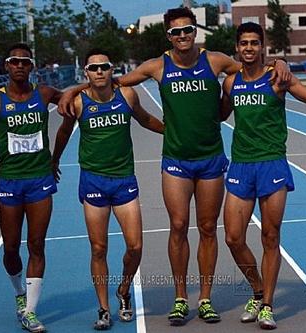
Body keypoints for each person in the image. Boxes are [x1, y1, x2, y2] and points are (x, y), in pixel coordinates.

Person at [59, 7, 291, 325]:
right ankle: (181, 298)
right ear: (167, 35)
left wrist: (281, 62)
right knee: (179, 226)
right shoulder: (157, 66)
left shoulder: (216, 61)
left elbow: (255, 66)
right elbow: (108, 83)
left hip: (210, 159)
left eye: (187, 30)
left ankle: (205, 299)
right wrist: (73, 90)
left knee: (208, 229)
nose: (182, 36)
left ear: (195, 31)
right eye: (175, 32)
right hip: (176, 161)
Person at [220, 22, 306, 330]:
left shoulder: (277, 78)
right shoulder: (230, 83)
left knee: (270, 236)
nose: (249, 48)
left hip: (272, 165)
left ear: (263, 47)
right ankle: (256, 289)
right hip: (241, 166)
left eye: (255, 42)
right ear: (238, 47)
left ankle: (267, 305)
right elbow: (218, 114)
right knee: (232, 237)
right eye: (244, 43)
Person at [52, 48, 164, 330]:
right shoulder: (78, 103)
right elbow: (64, 132)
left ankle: (123, 291)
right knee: (99, 248)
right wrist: (52, 160)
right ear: (86, 73)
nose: (99, 71)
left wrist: (173, 132)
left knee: (135, 246)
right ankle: (103, 308)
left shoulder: (126, 96)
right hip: (93, 181)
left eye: (104, 66)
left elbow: (145, 118)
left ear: (111, 69)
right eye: (94, 68)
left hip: (124, 179)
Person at [0, 42, 63, 333]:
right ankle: (19, 293)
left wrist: (56, 156)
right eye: (14, 61)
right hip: (10, 184)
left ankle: (30, 311)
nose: (19, 66)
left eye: (24, 62)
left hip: (40, 180)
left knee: (37, 245)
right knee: (12, 248)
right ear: (6, 66)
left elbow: (76, 104)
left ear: (32, 66)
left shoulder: (44, 94)